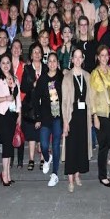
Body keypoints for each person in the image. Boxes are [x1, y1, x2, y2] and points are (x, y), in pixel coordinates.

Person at [62, 48, 93, 192]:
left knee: (81, 146)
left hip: (84, 116)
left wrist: (92, 117)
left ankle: (78, 175)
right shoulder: (67, 77)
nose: (78, 59)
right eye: (76, 57)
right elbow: (64, 102)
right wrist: (65, 122)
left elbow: (90, 97)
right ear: (72, 59)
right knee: (71, 148)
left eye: (80, 57)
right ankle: (70, 180)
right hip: (72, 116)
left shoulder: (87, 76)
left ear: (83, 59)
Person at [0, 54, 22, 187]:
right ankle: (4, 173)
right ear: (0, 65)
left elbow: (18, 99)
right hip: (2, 114)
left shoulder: (15, 79)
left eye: (7, 62)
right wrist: (5, 98)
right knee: (6, 144)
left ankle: (8, 174)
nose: (5, 65)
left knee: (9, 144)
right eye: (3, 63)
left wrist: (19, 115)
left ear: (11, 64)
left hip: (12, 114)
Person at [34, 52, 63, 186]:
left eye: (54, 61)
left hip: (58, 117)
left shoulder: (62, 77)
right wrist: (38, 117)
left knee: (56, 145)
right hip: (45, 117)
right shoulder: (43, 79)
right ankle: (47, 158)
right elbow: (35, 98)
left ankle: (55, 174)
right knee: (44, 145)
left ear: (57, 63)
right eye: (50, 61)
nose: (52, 63)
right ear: (47, 63)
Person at [90, 45, 110, 186]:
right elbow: (92, 96)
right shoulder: (95, 73)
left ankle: (104, 173)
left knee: (107, 145)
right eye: (102, 55)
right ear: (98, 57)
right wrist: (94, 115)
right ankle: (102, 176)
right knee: (103, 146)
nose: (104, 58)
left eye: (106, 55)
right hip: (100, 114)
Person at [20, 43, 45, 171]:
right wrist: (33, 85)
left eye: (39, 52)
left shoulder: (46, 68)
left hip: (44, 104)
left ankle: (43, 158)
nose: (37, 54)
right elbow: (23, 87)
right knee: (31, 133)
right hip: (30, 105)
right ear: (31, 54)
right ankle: (31, 159)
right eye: (34, 52)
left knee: (43, 132)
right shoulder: (27, 69)